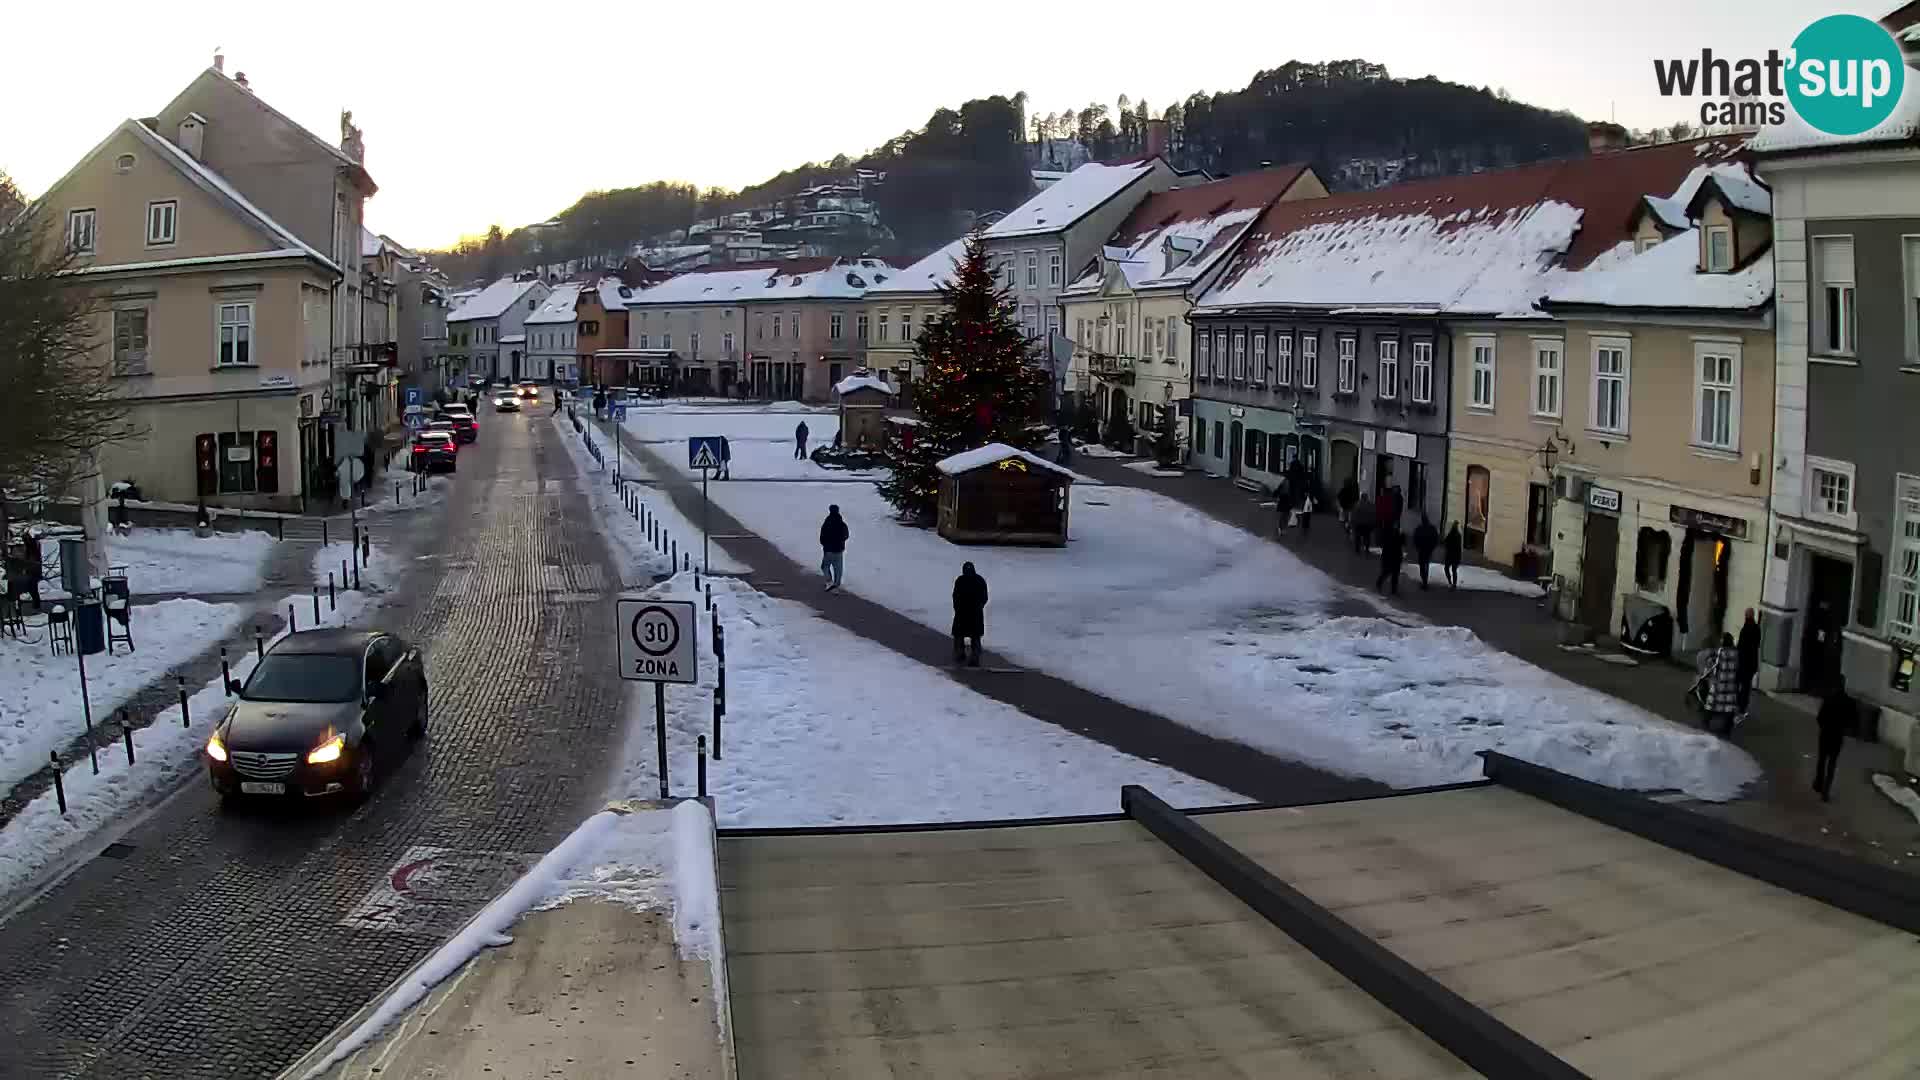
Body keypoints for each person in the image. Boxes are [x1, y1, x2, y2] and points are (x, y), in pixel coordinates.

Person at [1813, 678, 1857, 802]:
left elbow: (1820, 717)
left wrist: (1823, 727)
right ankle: (1826, 790)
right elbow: (1853, 721)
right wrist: (1844, 729)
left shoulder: (1828, 699)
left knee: (1821, 760)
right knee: (1832, 763)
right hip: (1837, 736)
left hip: (1825, 734)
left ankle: (1818, 784)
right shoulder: (1849, 702)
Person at [1699, 633, 1744, 736]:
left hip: (1720, 683)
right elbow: (1738, 667)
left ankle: (1706, 723)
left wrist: (1709, 668)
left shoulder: (1721, 652)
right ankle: (1726, 729)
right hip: (1731, 684)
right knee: (1729, 707)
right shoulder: (1736, 653)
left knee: (1711, 704)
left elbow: (1715, 664)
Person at [951, 562, 989, 667]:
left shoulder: (961, 580)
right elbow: (984, 597)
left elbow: (955, 596)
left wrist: (958, 607)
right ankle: (970, 657)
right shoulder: (977, 580)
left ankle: (964, 656)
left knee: (964, 635)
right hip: (971, 613)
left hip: (967, 613)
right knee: (972, 636)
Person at [1735, 608, 1761, 717]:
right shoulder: (1757, 628)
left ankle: (1736, 702)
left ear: (1747, 616)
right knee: (1746, 686)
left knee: (1737, 683)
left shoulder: (1745, 629)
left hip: (1743, 662)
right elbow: (1757, 645)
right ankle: (1742, 707)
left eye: (1746, 615)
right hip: (1751, 663)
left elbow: (1741, 646)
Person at [818, 504, 848, 590]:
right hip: (839, 550)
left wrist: (825, 544)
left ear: (830, 510)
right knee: (838, 569)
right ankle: (836, 586)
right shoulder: (842, 523)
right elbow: (846, 535)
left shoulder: (827, 523)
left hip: (828, 550)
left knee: (825, 567)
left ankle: (829, 581)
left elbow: (822, 537)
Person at [1412, 514, 1440, 589]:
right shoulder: (1432, 528)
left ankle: (1424, 580)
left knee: (1422, 565)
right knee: (1426, 565)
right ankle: (1425, 581)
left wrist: (1417, 547)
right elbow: (1436, 539)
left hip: (1422, 550)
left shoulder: (1419, 528)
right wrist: (1432, 548)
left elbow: (1415, 539)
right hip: (1428, 550)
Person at [1376, 524, 1405, 594]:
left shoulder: (1387, 534)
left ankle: (1380, 583)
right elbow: (1403, 542)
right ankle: (1393, 589)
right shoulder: (1399, 535)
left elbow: (1381, 542)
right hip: (1395, 555)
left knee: (1388, 572)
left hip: (1389, 555)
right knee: (1393, 573)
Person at [1442, 522, 1463, 588]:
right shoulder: (1458, 535)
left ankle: (1450, 582)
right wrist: (1459, 558)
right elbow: (1459, 548)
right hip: (1456, 555)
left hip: (1449, 555)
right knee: (1454, 570)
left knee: (1446, 568)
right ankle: (1454, 584)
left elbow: (1445, 542)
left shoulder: (1450, 534)